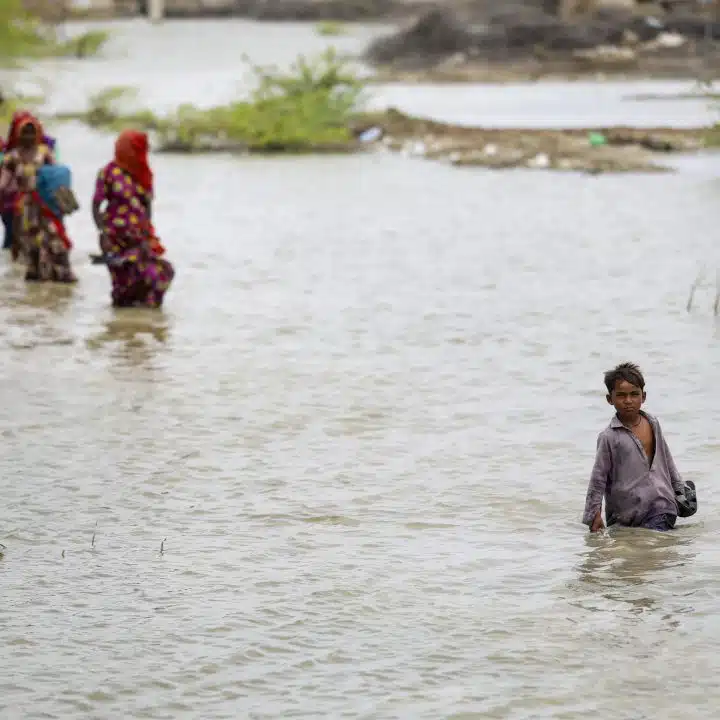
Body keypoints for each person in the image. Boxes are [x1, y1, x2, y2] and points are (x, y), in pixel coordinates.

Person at [582, 362, 692, 533]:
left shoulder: (653, 423)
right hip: (625, 513)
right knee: (632, 554)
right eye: (621, 395)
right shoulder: (609, 437)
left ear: (644, 396)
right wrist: (593, 513)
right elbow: (598, 478)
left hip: (661, 505)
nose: (628, 401)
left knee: (653, 545)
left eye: (634, 394)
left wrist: (679, 489)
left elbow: (667, 459)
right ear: (609, 399)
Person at [92, 130, 174, 308]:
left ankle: (143, 322)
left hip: (138, 238)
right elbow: (96, 205)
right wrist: (102, 232)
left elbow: (147, 207)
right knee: (122, 284)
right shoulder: (107, 172)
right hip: (113, 237)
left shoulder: (143, 175)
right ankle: (122, 327)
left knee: (157, 273)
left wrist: (146, 235)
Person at [0, 111, 77, 282]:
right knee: (32, 246)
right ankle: (38, 287)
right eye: (25, 132)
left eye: (32, 132)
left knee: (55, 240)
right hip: (26, 208)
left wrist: (63, 200)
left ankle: (63, 275)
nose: (28, 136)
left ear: (37, 134)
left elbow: (57, 176)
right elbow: (3, 183)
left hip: (46, 205)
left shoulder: (44, 152)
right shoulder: (11, 158)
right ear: (18, 134)